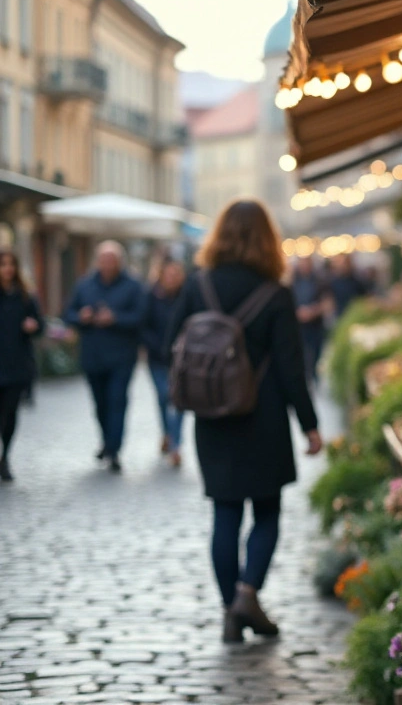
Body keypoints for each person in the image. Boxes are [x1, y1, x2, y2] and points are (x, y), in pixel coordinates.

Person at [164, 199, 322, 643]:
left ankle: (229, 609)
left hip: (213, 416)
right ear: (268, 239)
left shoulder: (199, 286)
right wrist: (309, 426)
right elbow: (293, 369)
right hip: (264, 415)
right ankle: (247, 595)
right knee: (267, 511)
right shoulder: (276, 293)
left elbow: (170, 346)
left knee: (225, 513)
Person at [64, 241, 145, 472]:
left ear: (120, 263)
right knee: (100, 403)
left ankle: (114, 448)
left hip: (121, 356)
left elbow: (141, 317)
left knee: (117, 400)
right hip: (93, 355)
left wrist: (115, 319)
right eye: (104, 260)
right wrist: (82, 317)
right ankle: (107, 440)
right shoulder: (85, 285)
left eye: (112, 260)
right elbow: (68, 313)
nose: (108, 264)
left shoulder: (133, 286)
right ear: (98, 262)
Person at [0, 250, 43, 482]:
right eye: (3, 264)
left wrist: (33, 326)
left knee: (9, 413)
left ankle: (5, 456)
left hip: (17, 365)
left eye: (11, 264)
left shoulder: (26, 297)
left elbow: (41, 326)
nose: (7, 269)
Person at [141, 260, 186, 467]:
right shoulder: (152, 296)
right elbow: (143, 325)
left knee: (178, 399)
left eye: (176, 275)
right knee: (163, 396)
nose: (172, 279)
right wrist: (157, 346)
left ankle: (175, 444)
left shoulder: (187, 296)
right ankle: (167, 433)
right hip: (158, 358)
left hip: (182, 358)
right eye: (169, 275)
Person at [290, 256, 330, 385]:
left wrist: (313, 311)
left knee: (316, 354)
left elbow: (328, 303)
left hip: (316, 326)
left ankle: (314, 378)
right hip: (299, 327)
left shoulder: (320, 280)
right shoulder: (293, 281)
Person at [327, 253, 368, 319]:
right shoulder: (334, 282)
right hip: (340, 315)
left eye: (346, 263)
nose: (344, 266)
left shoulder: (357, 281)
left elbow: (364, 298)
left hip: (355, 314)